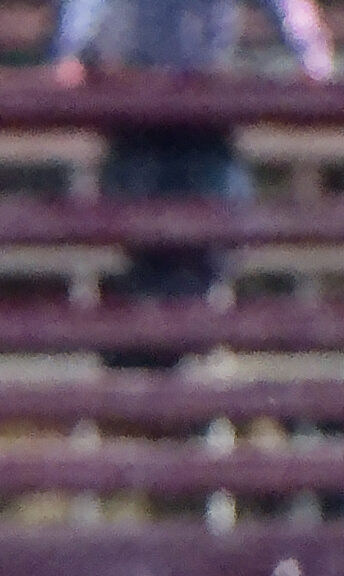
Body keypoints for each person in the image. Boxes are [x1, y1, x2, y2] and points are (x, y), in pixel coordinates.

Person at [51, 0, 333, 364]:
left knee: (211, 218)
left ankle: (180, 340)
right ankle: (162, 344)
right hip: (136, 96)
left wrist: (310, 55)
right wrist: (69, 50)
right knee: (148, 220)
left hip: (202, 101)